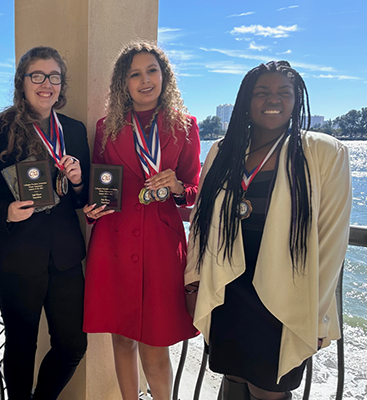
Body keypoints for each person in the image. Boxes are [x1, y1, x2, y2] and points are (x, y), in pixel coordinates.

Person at [186, 61, 352, 400]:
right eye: (262, 92)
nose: (272, 100)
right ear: (246, 100)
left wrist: (318, 316)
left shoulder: (324, 152)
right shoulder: (222, 151)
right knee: (232, 380)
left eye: (283, 93)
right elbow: (201, 223)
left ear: (296, 101)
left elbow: (331, 244)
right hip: (228, 288)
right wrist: (194, 283)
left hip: (284, 297)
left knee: (270, 391)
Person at [83, 41, 200, 400]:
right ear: (124, 82)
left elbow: (194, 192)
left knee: (155, 342)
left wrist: (178, 186)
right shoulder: (106, 127)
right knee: (121, 337)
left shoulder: (186, 125)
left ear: (165, 77)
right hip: (114, 241)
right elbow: (102, 185)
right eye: (135, 74)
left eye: (152, 71)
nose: (145, 80)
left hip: (161, 247)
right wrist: (93, 208)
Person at [0, 46, 89, 400]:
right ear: (21, 82)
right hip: (14, 253)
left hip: (65, 255)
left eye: (54, 77)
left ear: (61, 84)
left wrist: (80, 180)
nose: (46, 84)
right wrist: (5, 211)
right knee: (20, 345)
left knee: (73, 344)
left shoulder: (74, 130)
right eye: (37, 75)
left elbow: (82, 201)